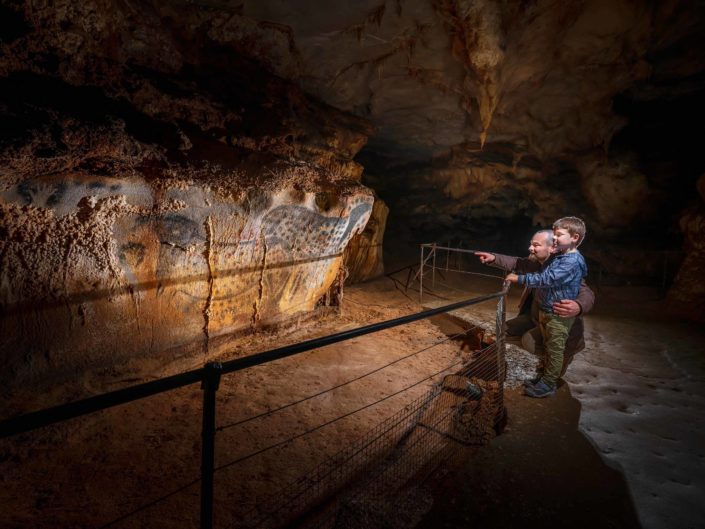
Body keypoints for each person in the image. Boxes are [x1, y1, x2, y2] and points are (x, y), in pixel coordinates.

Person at [475, 221, 594, 396]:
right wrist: (494, 258)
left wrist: (578, 305)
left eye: (536, 245)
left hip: (559, 322)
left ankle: (550, 373)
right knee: (502, 330)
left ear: (551, 247)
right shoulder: (543, 263)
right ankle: (494, 364)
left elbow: (586, 292)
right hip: (537, 317)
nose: (530, 248)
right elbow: (518, 263)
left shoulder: (566, 266)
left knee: (545, 347)